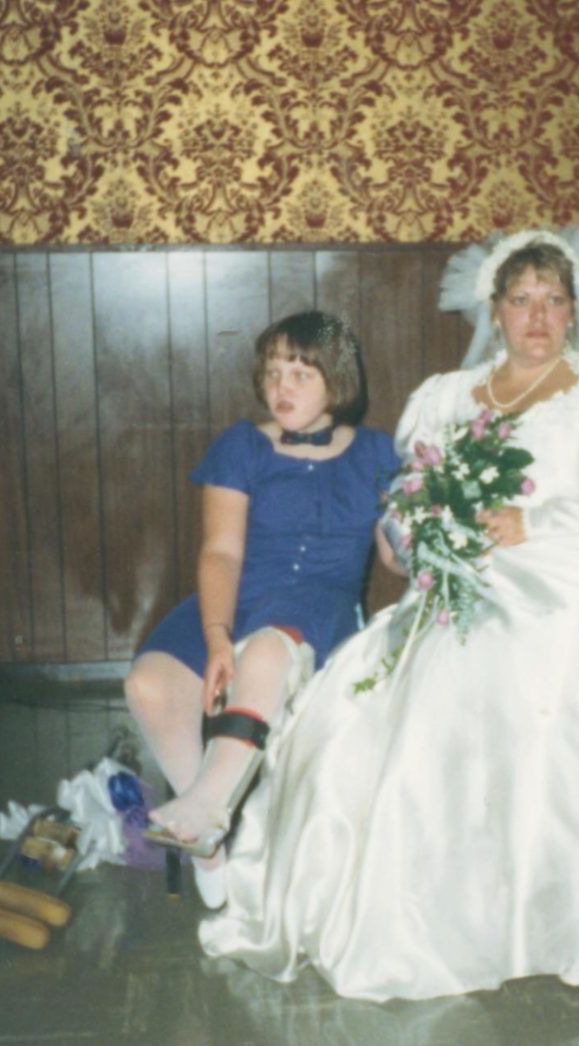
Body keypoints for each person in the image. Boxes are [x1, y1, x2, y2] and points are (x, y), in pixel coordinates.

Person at [197, 227, 579, 1001]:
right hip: (468, 574)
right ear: (495, 311)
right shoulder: (447, 397)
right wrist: (421, 536)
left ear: (575, 309)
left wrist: (537, 522)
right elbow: (405, 506)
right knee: (394, 692)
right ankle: (441, 921)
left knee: (546, 656)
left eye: (553, 300)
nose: (537, 317)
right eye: (521, 300)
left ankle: (574, 921)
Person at [124, 311, 399, 908]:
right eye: (273, 373)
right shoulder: (242, 446)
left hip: (320, 606)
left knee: (269, 653)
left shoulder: (380, 452)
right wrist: (217, 636)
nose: (281, 387)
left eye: (300, 374)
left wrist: (423, 529)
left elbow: (394, 560)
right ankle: (211, 842)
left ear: (337, 379)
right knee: (149, 683)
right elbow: (221, 552)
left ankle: (205, 806)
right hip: (241, 596)